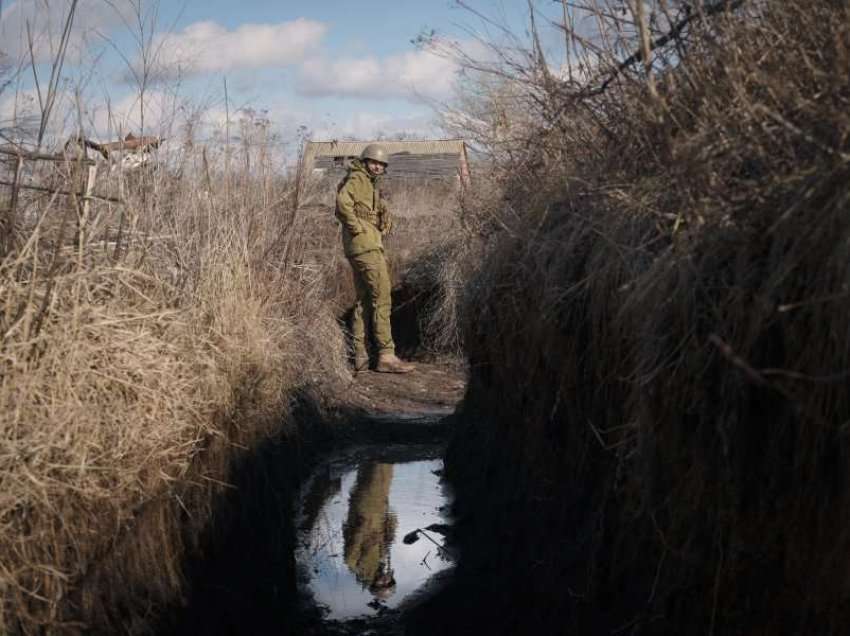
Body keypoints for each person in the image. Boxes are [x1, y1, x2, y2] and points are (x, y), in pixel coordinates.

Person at [335, 144, 414, 374]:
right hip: (366, 246)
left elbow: (363, 209)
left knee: (364, 300)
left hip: (360, 246)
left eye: (381, 164)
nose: (378, 167)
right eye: (374, 162)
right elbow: (342, 203)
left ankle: (359, 355)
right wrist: (358, 227)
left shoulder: (368, 183)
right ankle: (386, 355)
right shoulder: (359, 178)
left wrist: (380, 217)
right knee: (383, 297)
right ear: (366, 161)